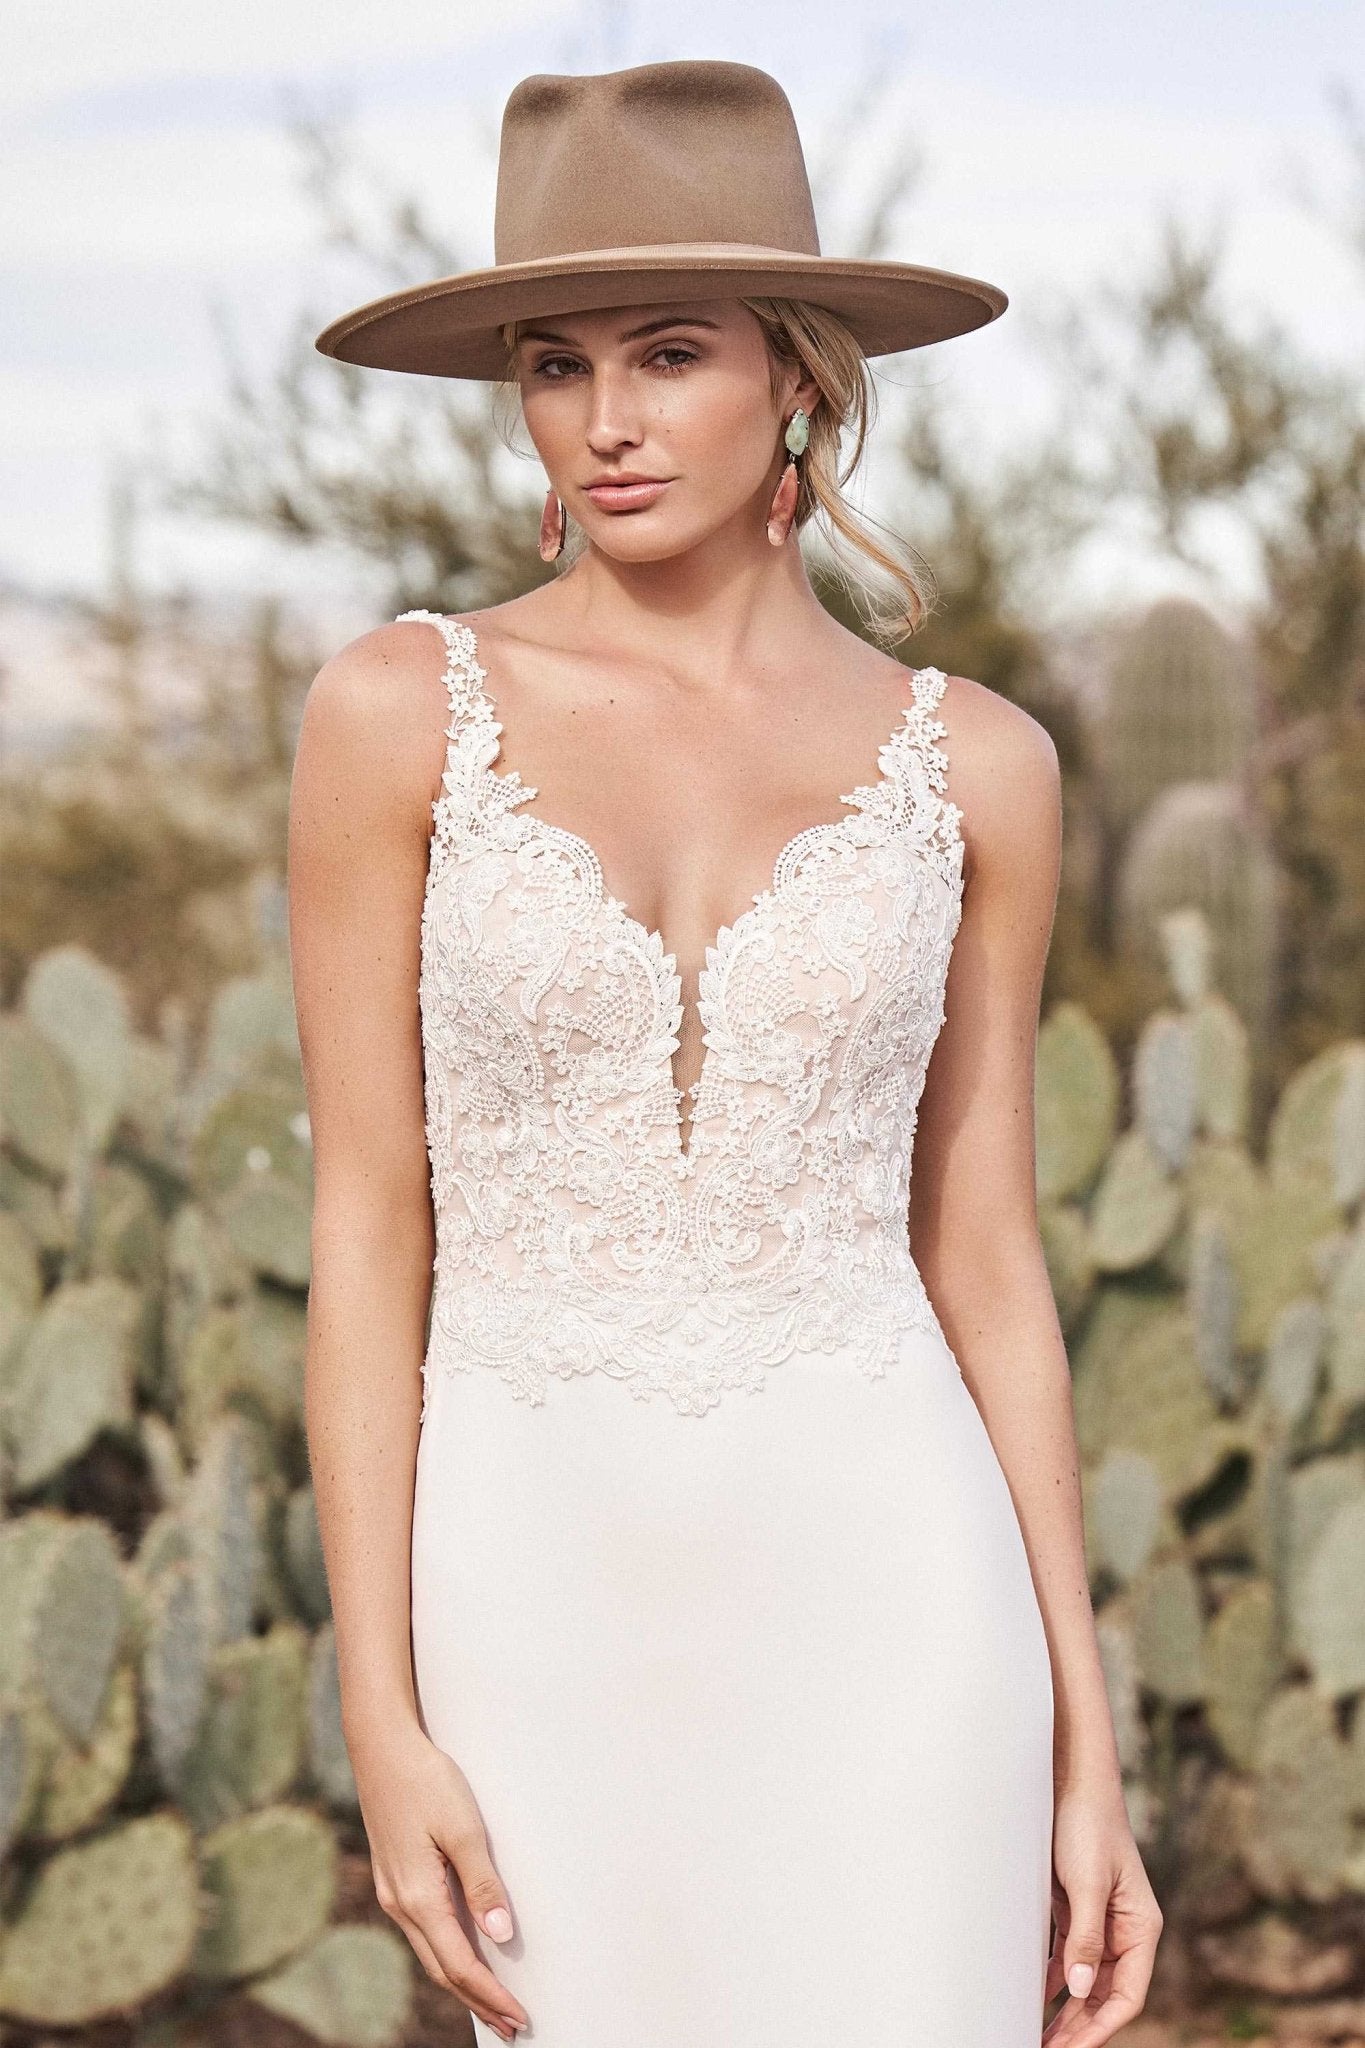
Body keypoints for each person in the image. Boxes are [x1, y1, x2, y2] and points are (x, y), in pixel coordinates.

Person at [289, 58, 1162, 2048]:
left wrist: (1079, 1750)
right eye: (551, 361)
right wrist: (380, 1707)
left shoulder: (984, 766)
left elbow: (988, 1263)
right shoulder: (394, 709)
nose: (601, 420)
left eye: (664, 352)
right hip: (527, 1575)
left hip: (893, 1582)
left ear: (796, 374)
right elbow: (364, 1222)